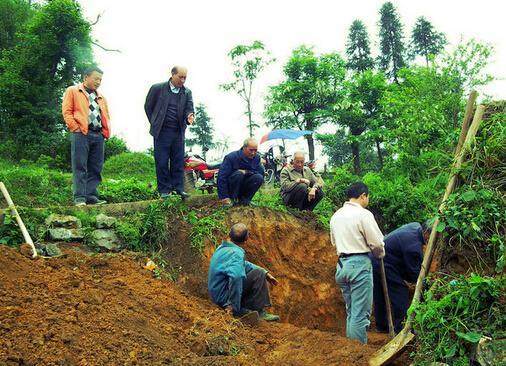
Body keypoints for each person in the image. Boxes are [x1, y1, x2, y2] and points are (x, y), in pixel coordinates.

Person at [329, 182, 385, 344]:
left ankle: (351, 352)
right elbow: (376, 243)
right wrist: (380, 254)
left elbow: (334, 242)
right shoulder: (363, 214)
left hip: (341, 266)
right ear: (363, 196)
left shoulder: (336, 216)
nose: (368, 200)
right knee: (360, 315)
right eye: (367, 197)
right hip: (359, 265)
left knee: (352, 312)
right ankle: (358, 355)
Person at [208, 223, 280, 322]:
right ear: (246, 239)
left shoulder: (223, 247)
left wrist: (266, 273)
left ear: (229, 235)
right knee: (258, 274)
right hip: (223, 298)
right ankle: (255, 311)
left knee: (260, 272)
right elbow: (236, 278)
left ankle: (242, 307)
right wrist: (233, 306)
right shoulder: (236, 253)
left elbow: (243, 264)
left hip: (216, 293)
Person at [62, 66, 111, 206]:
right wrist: (75, 128)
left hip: (98, 134)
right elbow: (67, 112)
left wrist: (104, 132)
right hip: (81, 133)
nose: (98, 82)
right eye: (96, 78)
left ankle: (91, 196)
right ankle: (79, 198)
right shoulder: (73, 90)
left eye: (100, 79)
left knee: (96, 167)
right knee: (80, 166)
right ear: (86, 77)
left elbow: (106, 115)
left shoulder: (101, 97)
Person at [371, 221, 430, 334]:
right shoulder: (413, 247)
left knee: (380, 294)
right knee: (400, 291)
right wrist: (425, 287)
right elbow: (415, 274)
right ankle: (401, 328)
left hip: (376, 257)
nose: (428, 241)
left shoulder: (416, 226)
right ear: (426, 233)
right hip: (384, 262)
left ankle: (382, 326)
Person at [144, 66, 195, 199]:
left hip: (178, 132)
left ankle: (178, 188)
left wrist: (190, 116)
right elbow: (148, 107)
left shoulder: (187, 92)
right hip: (162, 132)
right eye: (180, 77)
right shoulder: (157, 88)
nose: (183, 80)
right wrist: (155, 122)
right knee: (161, 161)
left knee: (178, 161)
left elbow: (189, 108)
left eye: (185, 77)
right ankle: (164, 190)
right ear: (172, 74)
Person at [217, 138, 265, 207]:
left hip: (244, 185)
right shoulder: (231, 157)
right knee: (239, 174)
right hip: (231, 187)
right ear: (244, 148)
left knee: (258, 177)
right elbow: (221, 177)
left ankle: (245, 200)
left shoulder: (257, 158)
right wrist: (224, 197)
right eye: (251, 150)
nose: (253, 153)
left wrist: (246, 172)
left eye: (255, 150)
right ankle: (232, 200)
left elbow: (260, 172)